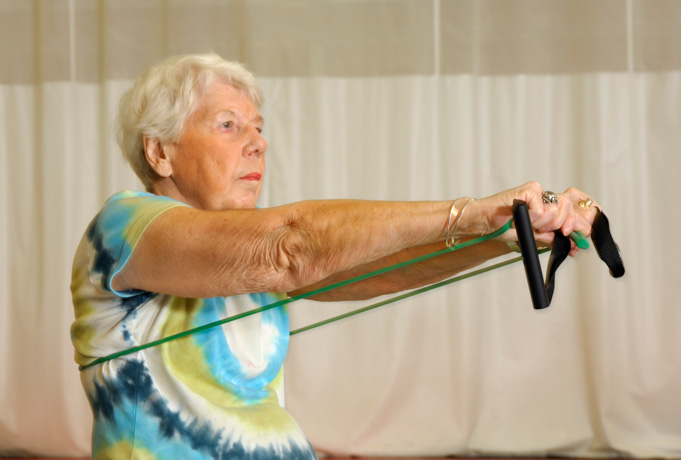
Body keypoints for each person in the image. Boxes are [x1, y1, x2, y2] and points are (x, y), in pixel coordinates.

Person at [70, 53, 599, 460]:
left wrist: (504, 233)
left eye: (258, 127)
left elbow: (378, 271)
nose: (257, 143)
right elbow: (293, 247)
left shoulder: (245, 247)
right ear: (158, 151)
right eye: (229, 125)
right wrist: (478, 212)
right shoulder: (125, 225)